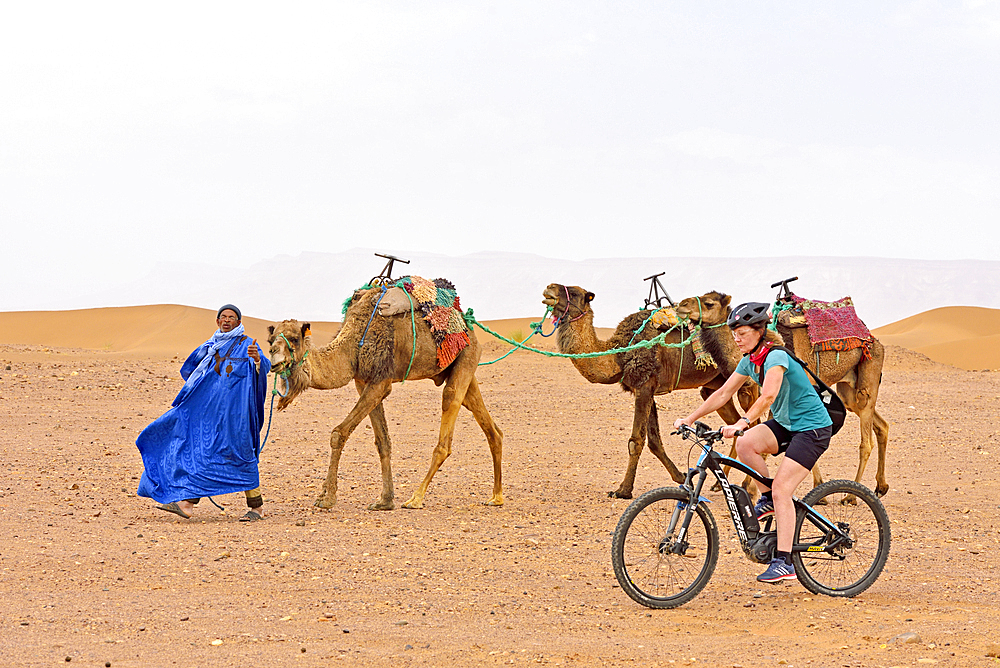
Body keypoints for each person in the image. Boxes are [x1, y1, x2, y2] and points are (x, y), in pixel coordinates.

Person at [674, 302, 832, 583]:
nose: (737, 339)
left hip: (812, 429)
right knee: (746, 445)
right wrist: (689, 418)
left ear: (760, 332)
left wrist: (742, 422)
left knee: (784, 488)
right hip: (787, 425)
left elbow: (768, 396)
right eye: (735, 334)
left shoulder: (775, 358)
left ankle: (785, 562)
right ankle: (768, 498)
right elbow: (723, 393)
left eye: (743, 333)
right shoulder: (750, 360)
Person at [136, 304, 272, 521]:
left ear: (239, 322)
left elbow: (264, 368)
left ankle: (257, 508)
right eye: (223, 317)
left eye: (232, 317)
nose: (227, 320)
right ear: (218, 321)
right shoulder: (211, 346)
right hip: (210, 415)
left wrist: (257, 359)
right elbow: (191, 373)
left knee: (242, 454)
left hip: (237, 417)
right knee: (203, 452)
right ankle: (188, 504)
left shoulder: (247, 345)